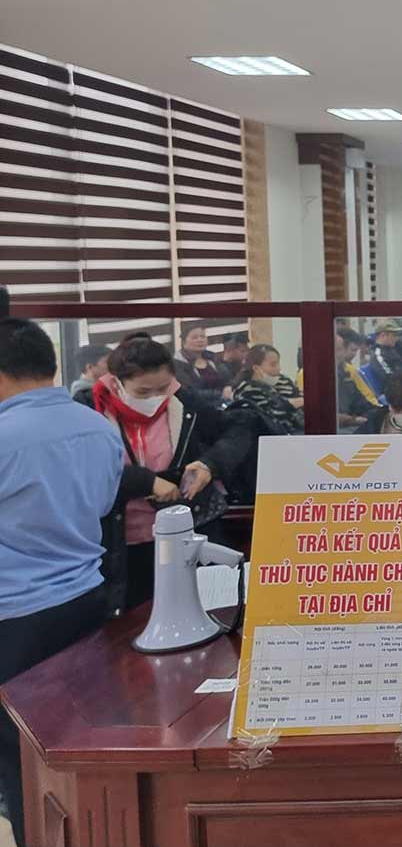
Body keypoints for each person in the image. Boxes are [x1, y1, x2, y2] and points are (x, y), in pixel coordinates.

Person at [0, 319, 123, 845]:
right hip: (83, 605)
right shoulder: (98, 426)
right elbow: (101, 506)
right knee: (71, 745)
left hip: (13, 619)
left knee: (18, 755)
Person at [78, 334, 252, 611]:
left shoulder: (183, 401)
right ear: (118, 382)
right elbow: (84, 471)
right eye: (143, 392)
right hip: (123, 542)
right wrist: (146, 481)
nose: (156, 399)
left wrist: (209, 464)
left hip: (189, 531)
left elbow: (238, 430)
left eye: (162, 388)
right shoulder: (89, 409)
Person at [231, 344, 304, 435]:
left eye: (278, 363)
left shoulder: (284, 381)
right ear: (256, 368)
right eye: (273, 365)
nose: (279, 368)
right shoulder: (247, 390)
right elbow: (266, 419)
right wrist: (289, 405)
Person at [172, 323, 230, 407]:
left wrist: (229, 387)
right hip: (198, 407)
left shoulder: (213, 358)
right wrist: (220, 394)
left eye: (202, 336)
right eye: (194, 337)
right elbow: (189, 392)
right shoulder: (177, 365)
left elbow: (228, 378)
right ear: (184, 342)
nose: (200, 340)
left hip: (224, 403)